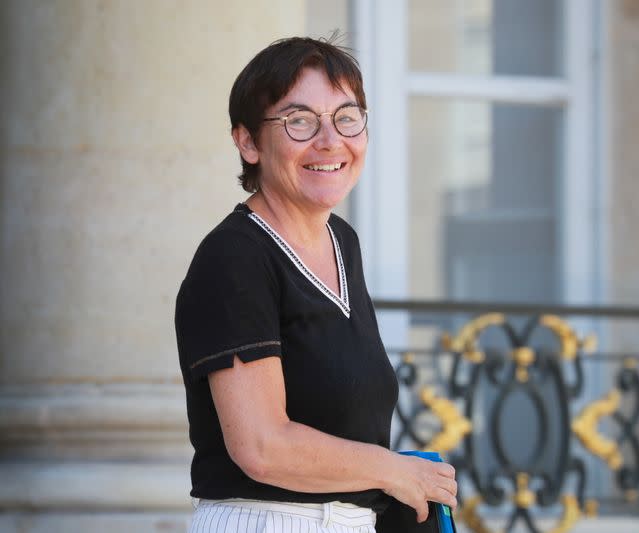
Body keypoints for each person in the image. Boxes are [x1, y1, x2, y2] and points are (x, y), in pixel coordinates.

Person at [175, 36, 457, 533]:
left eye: (346, 117)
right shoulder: (235, 258)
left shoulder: (341, 241)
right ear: (247, 142)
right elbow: (262, 448)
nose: (330, 141)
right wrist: (394, 470)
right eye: (299, 121)